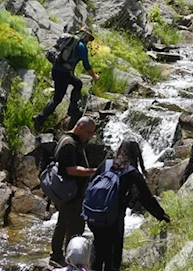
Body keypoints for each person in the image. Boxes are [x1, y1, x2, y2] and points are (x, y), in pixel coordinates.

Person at [88, 140, 170, 271]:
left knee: (98, 246)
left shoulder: (106, 163)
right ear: (136, 154)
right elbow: (147, 199)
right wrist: (163, 217)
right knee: (114, 253)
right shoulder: (132, 172)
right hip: (114, 218)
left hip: (94, 214)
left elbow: (91, 182)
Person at [50, 117, 98, 267]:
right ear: (80, 127)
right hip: (71, 194)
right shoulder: (69, 144)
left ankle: (57, 256)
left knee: (62, 223)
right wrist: (93, 172)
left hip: (65, 193)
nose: (89, 136)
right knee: (75, 227)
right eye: (88, 132)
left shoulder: (66, 139)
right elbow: (70, 169)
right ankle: (71, 261)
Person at [34, 27, 100, 130]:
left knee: (78, 84)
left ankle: (73, 109)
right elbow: (86, 65)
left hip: (57, 70)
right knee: (57, 99)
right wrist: (94, 76)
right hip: (63, 74)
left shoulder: (68, 40)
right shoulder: (82, 46)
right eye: (88, 38)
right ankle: (39, 118)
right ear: (85, 36)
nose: (88, 41)